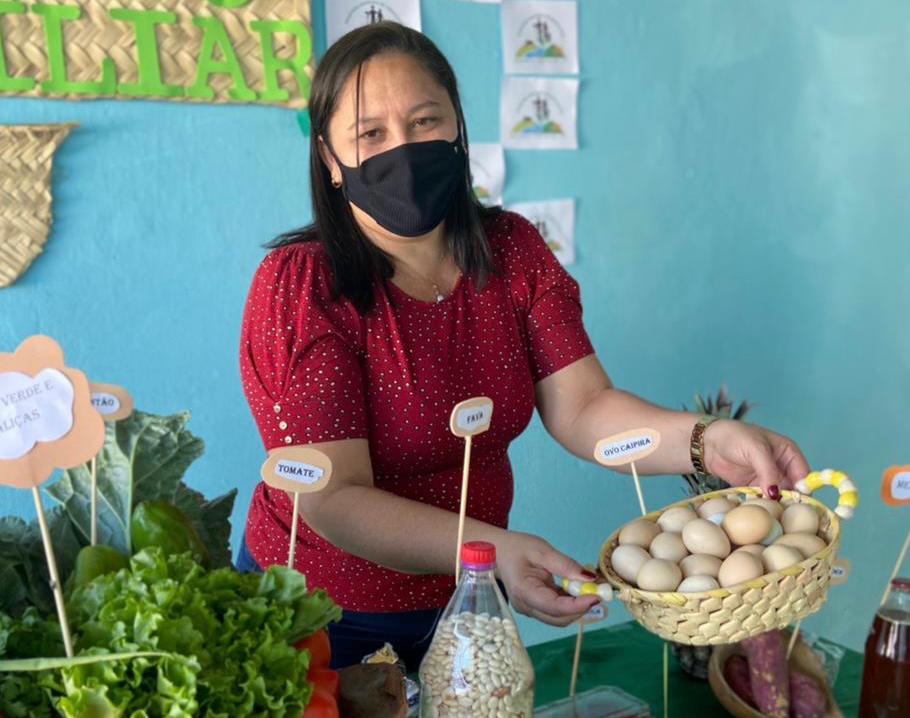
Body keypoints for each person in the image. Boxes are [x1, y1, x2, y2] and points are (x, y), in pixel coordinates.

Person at [237, 22, 810, 669]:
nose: (403, 148)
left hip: (466, 599)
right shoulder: (302, 287)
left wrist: (707, 439)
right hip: (322, 614)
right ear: (329, 160)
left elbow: (584, 407)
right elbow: (333, 496)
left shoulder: (512, 250)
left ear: (457, 126)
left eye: (425, 121)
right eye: (371, 134)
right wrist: (491, 550)